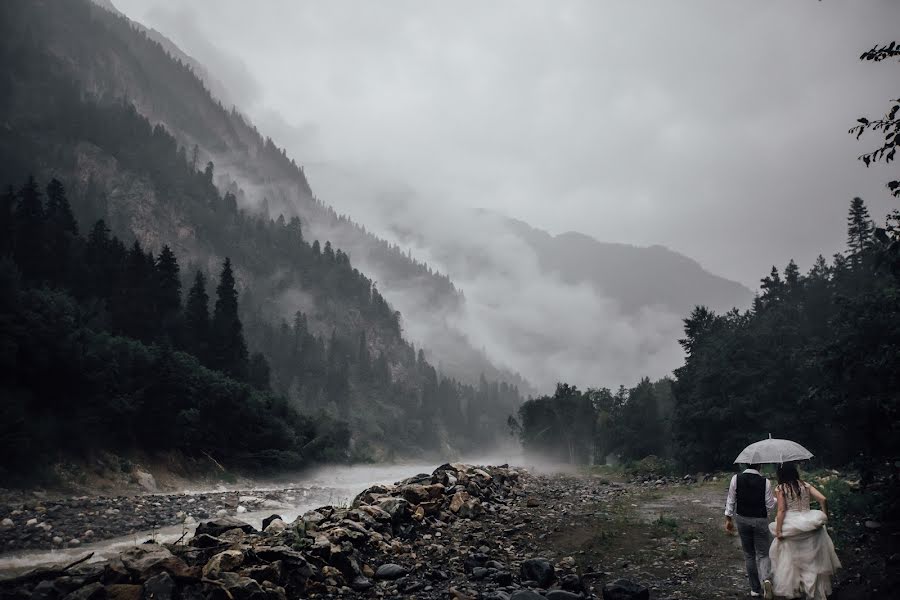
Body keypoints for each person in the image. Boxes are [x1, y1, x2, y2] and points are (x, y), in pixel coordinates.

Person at [769, 463, 841, 600]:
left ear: (781, 474)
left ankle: (797, 590)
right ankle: (813, 593)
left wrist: (778, 530)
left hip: (792, 526)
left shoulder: (781, 488)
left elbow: (782, 510)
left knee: (792, 560)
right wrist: (825, 517)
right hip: (810, 523)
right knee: (812, 562)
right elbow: (823, 499)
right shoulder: (805, 485)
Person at [725, 463, 776, 599]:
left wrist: (728, 518)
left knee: (749, 554)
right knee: (763, 553)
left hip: (742, 519)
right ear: (759, 465)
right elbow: (770, 505)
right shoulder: (766, 482)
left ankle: (754, 589)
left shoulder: (736, 478)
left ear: (746, 463)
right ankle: (765, 580)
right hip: (760, 520)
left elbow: (731, 499)